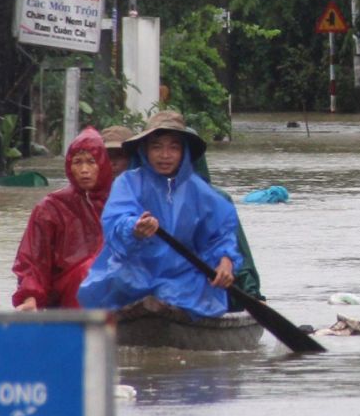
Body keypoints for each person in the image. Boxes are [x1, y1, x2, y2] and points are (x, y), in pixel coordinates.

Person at [77, 111, 243, 317]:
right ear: (145, 150)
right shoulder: (128, 182)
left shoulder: (202, 193)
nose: (165, 155)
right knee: (116, 279)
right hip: (137, 270)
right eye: (157, 147)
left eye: (174, 147)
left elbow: (221, 236)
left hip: (185, 275)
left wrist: (225, 261)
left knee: (180, 290)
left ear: (184, 152)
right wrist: (135, 228)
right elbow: (116, 221)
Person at [10, 126, 113, 311]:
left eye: (91, 162)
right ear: (69, 165)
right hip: (66, 294)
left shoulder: (120, 200)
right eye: (78, 162)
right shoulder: (50, 207)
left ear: (103, 164)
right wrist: (30, 297)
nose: (84, 170)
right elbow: (33, 259)